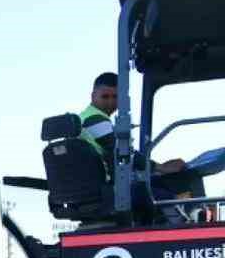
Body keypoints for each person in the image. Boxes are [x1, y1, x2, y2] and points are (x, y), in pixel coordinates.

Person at [80, 72, 205, 203]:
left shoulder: (87, 117)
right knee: (167, 194)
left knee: (169, 181)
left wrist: (155, 169)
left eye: (115, 97)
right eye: (105, 97)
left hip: (104, 184)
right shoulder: (94, 119)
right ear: (93, 96)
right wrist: (160, 167)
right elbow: (122, 152)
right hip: (108, 189)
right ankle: (192, 209)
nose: (110, 102)